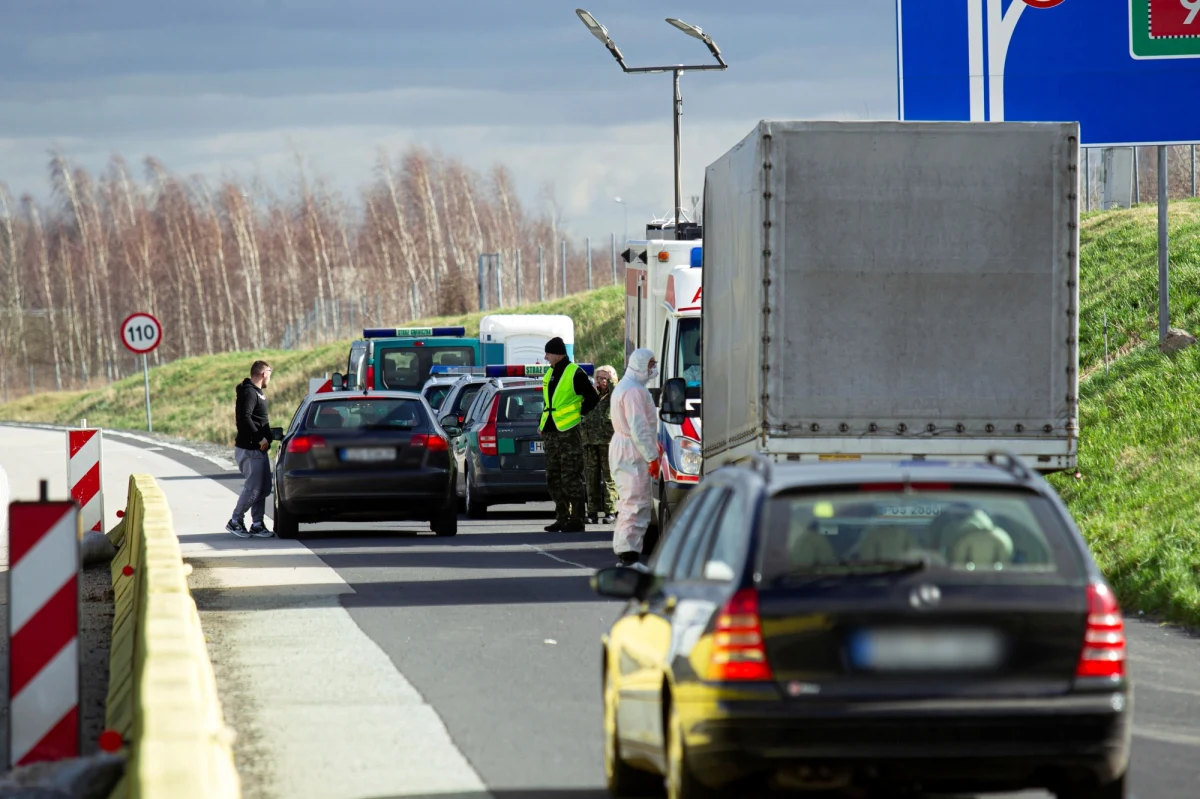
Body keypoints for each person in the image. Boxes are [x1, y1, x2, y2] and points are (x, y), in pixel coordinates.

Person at [538, 337, 600, 532]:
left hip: (568, 432)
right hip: (550, 431)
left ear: (558, 353)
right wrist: (542, 425)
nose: (546, 357)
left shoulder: (575, 373)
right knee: (553, 476)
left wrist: (579, 415)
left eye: (548, 353)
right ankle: (562, 517)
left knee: (570, 476)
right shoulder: (549, 373)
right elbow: (549, 403)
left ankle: (577, 519)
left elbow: (592, 398)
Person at [609, 348, 660, 565]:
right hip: (632, 451)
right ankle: (628, 556)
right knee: (635, 503)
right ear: (641, 365)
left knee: (628, 502)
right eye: (651, 364)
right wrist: (652, 458)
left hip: (625, 448)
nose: (653, 368)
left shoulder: (628, 386)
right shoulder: (634, 391)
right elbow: (639, 428)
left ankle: (626, 552)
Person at [227, 360, 276, 538]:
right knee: (253, 488)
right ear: (264, 373)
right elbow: (244, 418)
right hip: (250, 449)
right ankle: (235, 521)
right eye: (270, 372)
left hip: (259, 450)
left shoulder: (257, 393)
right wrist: (259, 437)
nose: (271, 376)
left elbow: (257, 419)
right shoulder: (248, 392)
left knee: (262, 488)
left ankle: (257, 523)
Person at [581, 365, 619, 525]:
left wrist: (611, 381)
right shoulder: (591, 396)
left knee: (609, 477)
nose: (601, 381)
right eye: (599, 378)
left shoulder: (614, 395)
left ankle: (611, 511)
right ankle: (592, 511)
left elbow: (615, 390)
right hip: (590, 442)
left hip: (608, 442)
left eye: (605, 378)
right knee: (591, 478)